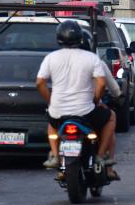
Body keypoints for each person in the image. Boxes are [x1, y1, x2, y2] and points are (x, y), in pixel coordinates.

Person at [35, 20, 120, 180]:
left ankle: (54, 155)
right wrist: (96, 100)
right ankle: (101, 155)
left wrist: (51, 100)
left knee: (51, 124)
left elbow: (39, 82)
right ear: (81, 38)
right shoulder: (91, 58)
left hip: (58, 112)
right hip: (85, 112)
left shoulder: (51, 58)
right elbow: (102, 83)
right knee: (110, 117)